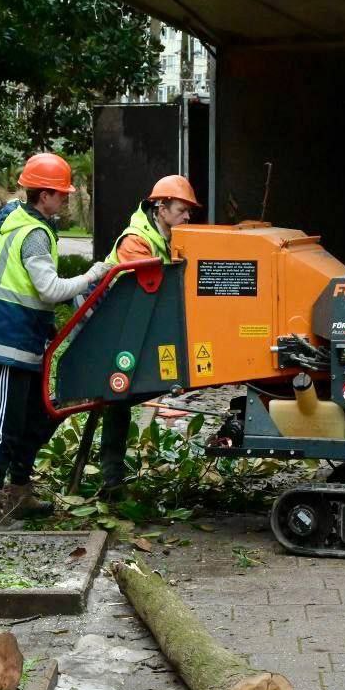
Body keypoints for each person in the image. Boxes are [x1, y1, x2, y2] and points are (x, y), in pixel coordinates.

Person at [0, 152, 109, 529]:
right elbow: (49, 289)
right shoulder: (32, 233)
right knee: (4, 425)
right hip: (10, 340)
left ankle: (19, 491)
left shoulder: (27, 223)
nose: (65, 200)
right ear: (43, 194)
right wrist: (92, 274)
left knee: (39, 415)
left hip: (27, 338)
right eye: (61, 194)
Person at [98, 174, 201, 497]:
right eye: (182, 210)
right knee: (118, 397)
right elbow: (147, 295)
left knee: (121, 400)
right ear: (160, 207)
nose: (187, 217)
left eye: (189, 212)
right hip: (114, 328)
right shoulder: (135, 242)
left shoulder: (167, 237)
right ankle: (111, 479)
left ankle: (113, 478)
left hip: (136, 326)